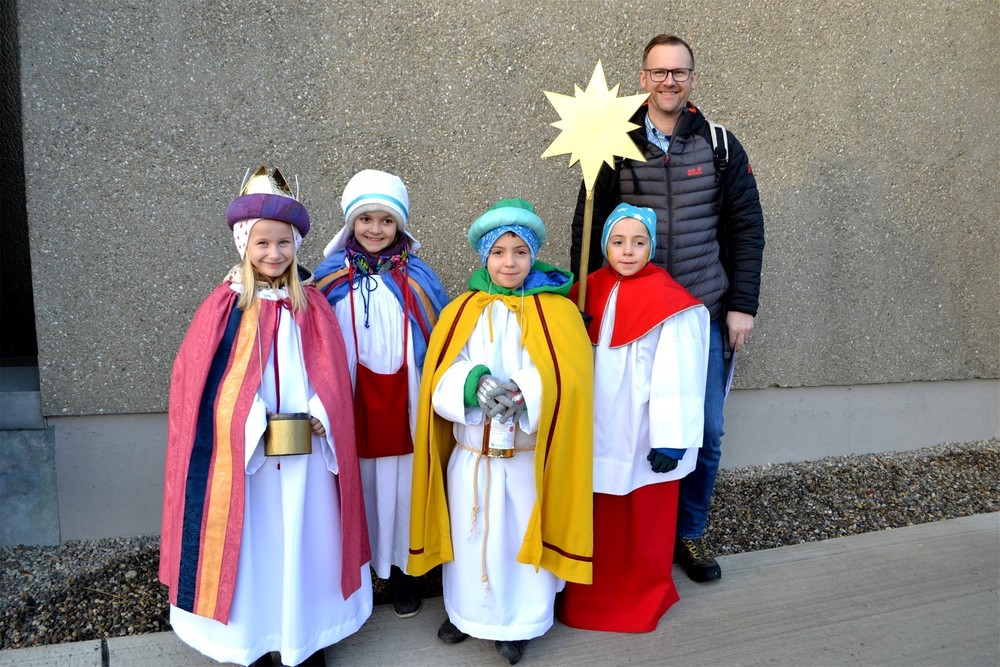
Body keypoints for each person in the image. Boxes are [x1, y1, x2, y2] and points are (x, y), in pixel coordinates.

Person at [570, 34, 765, 583]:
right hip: (633, 317)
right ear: (643, 78)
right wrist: (584, 303)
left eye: (679, 72)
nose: (668, 81)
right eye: (658, 72)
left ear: (693, 79)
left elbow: (747, 228)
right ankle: (633, 535)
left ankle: (690, 532)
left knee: (704, 429)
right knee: (626, 429)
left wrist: (741, 306)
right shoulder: (613, 142)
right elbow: (588, 226)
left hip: (701, 312)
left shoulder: (720, 145)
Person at [159, 166, 372, 666]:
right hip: (246, 464)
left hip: (307, 458)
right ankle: (252, 639)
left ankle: (304, 637)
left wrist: (321, 413)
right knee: (252, 548)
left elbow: (334, 377)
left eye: (283, 243)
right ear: (244, 245)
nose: (274, 254)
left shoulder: (312, 305)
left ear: (296, 244)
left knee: (306, 541)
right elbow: (199, 388)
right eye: (263, 244)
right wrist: (248, 422)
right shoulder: (223, 307)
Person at [408, 199, 594, 665]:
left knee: (517, 542)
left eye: (520, 252)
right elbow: (440, 372)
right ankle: (465, 614)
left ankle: (520, 623)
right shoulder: (461, 310)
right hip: (472, 454)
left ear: (533, 256)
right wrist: (474, 383)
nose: (509, 262)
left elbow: (570, 377)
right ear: (484, 256)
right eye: (498, 252)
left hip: (526, 458)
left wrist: (526, 391)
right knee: (469, 539)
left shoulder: (558, 311)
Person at [557, 203, 709, 632]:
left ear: (651, 247)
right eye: (618, 242)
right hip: (591, 426)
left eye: (639, 242)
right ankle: (584, 599)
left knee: (640, 516)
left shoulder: (671, 304)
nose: (628, 251)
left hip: (640, 429)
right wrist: (569, 324)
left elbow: (680, 373)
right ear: (605, 245)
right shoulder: (584, 290)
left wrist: (672, 437)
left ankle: (638, 598)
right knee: (594, 514)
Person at [314, 169, 448, 618]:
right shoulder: (328, 279)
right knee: (356, 484)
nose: (375, 229)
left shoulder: (419, 277)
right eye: (366, 219)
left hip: (407, 401)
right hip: (348, 402)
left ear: (400, 225)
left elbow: (440, 338)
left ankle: (404, 572)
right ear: (350, 223)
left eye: (387, 220)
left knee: (403, 486)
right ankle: (358, 574)